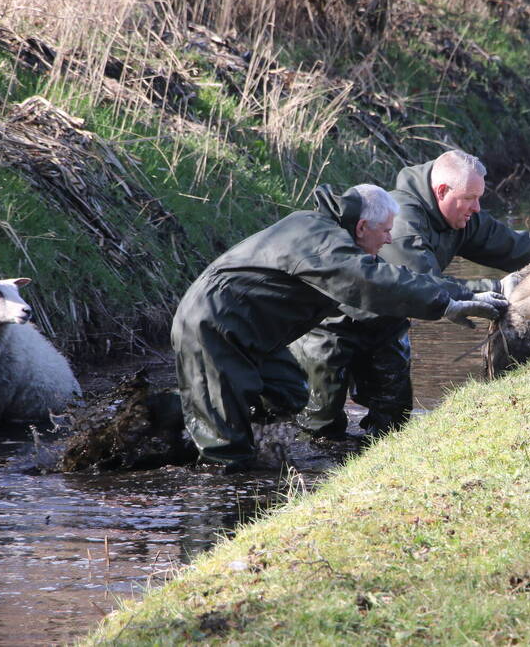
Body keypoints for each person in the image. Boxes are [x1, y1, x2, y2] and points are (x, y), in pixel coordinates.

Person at [171, 183, 507, 472]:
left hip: (253, 334)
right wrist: (444, 304)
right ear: (362, 227)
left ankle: (204, 413)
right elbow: (371, 281)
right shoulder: (320, 241)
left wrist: (463, 294)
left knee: (288, 394)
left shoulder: (334, 237)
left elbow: (395, 278)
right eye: (386, 230)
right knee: (225, 452)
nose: (390, 239)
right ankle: (190, 441)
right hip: (213, 327)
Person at [290, 150, 530, 440]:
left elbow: (514, 247)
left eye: (479, 198)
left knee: (393, 423)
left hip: (387, 325)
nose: (477, 208)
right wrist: (495, 289)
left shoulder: (461, 215)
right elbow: (423, 283)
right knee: (317, 427)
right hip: (332, 325)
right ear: (441, 191)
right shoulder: (402, 221)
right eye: (470, 199)